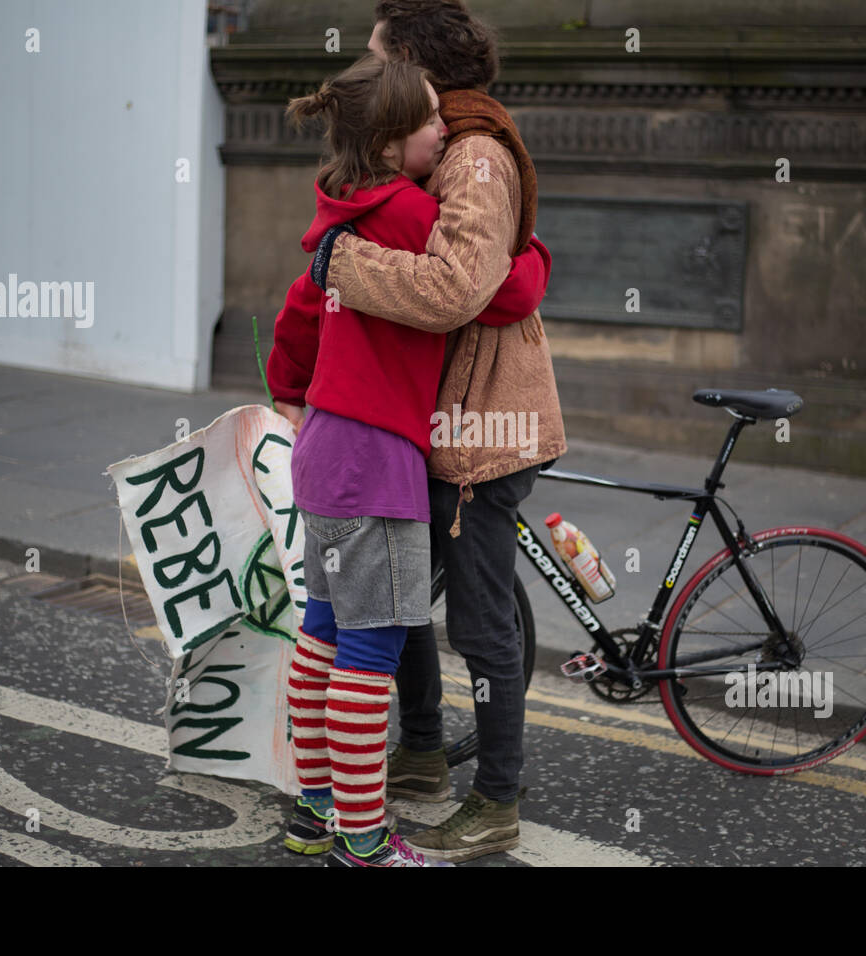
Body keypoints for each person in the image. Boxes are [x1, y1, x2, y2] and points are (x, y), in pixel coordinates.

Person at [296, 0, 567, 863]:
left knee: (477, 622)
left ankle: (494, 800)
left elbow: (471, 286)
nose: (370, 64)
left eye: (380, 55)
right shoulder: (424, 163)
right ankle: (414, 756)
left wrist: (340, 259)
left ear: (415, 71)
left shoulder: (473, 155)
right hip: (408, 426)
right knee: (393, 611)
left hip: (480, 424)